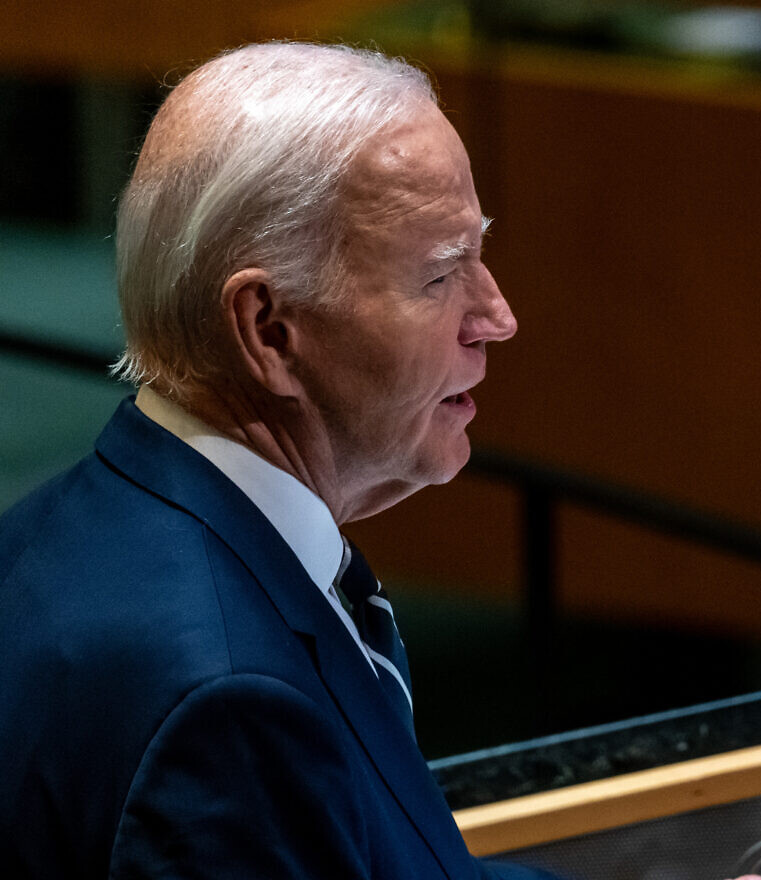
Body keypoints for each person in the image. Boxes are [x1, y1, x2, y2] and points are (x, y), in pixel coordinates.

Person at [0, 41, 557, 879]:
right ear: (268, 331)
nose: (496, 316)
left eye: (478, 253)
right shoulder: (229, 707)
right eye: (442, 276)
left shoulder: (63, 526)